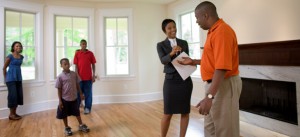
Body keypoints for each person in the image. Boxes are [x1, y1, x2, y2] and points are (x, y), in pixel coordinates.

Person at [178, 1, 242, 137]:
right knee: (210, 129)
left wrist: (209, 97)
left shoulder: (222, 32)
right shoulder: (213, 32)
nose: (196, 21)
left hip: (223, 85)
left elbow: (222, 67)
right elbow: (215, 61)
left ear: (205, 15)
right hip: (215, 85)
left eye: (197, 18)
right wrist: (194, 61)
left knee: (226, 131)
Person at [156, 19, 193, 137]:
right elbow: (163, 60)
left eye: (174, 27)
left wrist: (181, 54)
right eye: (169, 28)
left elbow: (187, 60)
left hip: (185, 81)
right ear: (164, 31)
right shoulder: (160, 45)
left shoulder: (184, 42)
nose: (173, 30)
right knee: (168, 113)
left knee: (185, 112)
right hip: (170, 81)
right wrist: (172, 53)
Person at [56, 58, 90, 136]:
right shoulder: (60, 76)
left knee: (77, 112)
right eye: (64, 64)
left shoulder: (74, 74)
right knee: (64, 114)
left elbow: (78, 85)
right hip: (65, 99)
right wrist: (60, 101)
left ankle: (81, 125)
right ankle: (67, 127)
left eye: (67, 63)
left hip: (74, 98)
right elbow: (59, 89)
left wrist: (81, 94)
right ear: (61, 66)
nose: (67, 65)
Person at [73, 39, 96, 114]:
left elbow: (93, 65)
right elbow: (76, 66)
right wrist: (77, 76)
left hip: (88, 78)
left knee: (88, 94)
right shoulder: (77, 54)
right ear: (80, 45)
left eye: (85, 44)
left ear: (86, 45)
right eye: (82, 44)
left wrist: (93, 75)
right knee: (78, 94)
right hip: (80, 78)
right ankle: (76, 109)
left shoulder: (90, 54)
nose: (83, 45)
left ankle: (87, 108)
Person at [2, 41, 24, 120]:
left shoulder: (21, 57)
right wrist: (6, 78)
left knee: (18, 96)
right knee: (13, 96)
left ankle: (14, 113)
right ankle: (11, 114)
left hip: (18, 78)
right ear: (13, 47)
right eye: (17, 46)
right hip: (10, 79)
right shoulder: (10, 56)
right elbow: (4, 68)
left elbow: (18, 67)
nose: (18, 47)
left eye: (20, 46)